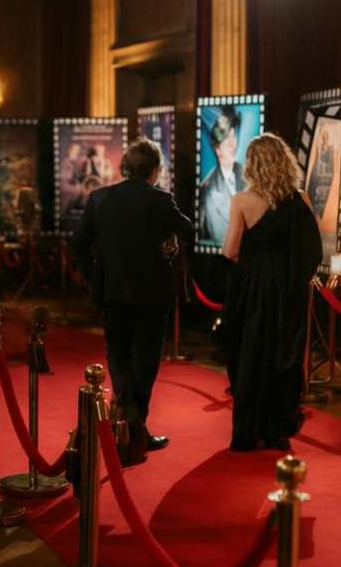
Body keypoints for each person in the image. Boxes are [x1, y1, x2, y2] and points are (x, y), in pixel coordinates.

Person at [72, 138, 194, 460]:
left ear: (126, 167)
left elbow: (78, 245)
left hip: (111, 293)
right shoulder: (160, 200)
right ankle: (135, 429)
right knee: (145, 363)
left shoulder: (99, 199)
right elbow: (187, 228)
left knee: (118, 356)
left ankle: (126, 422)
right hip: (153, 295)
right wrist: (165, 240)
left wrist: (94, 278)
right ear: (155, 169)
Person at [221, 134, 322, 452]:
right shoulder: (301, 199)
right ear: (284, 162)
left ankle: (246, 433)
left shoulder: (241, 200)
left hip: (252, 289)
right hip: (288, 289)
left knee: (249, 354)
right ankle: (277, 430)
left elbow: (230, 250)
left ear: (252, 165)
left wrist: (254, 263)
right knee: (283, 356)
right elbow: (313, 251)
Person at [198, 106, 245, 244]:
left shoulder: (250, 178)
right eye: (227, 139)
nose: (233, 144)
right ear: (217, 148)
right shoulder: (206, 191)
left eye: (233, 136)